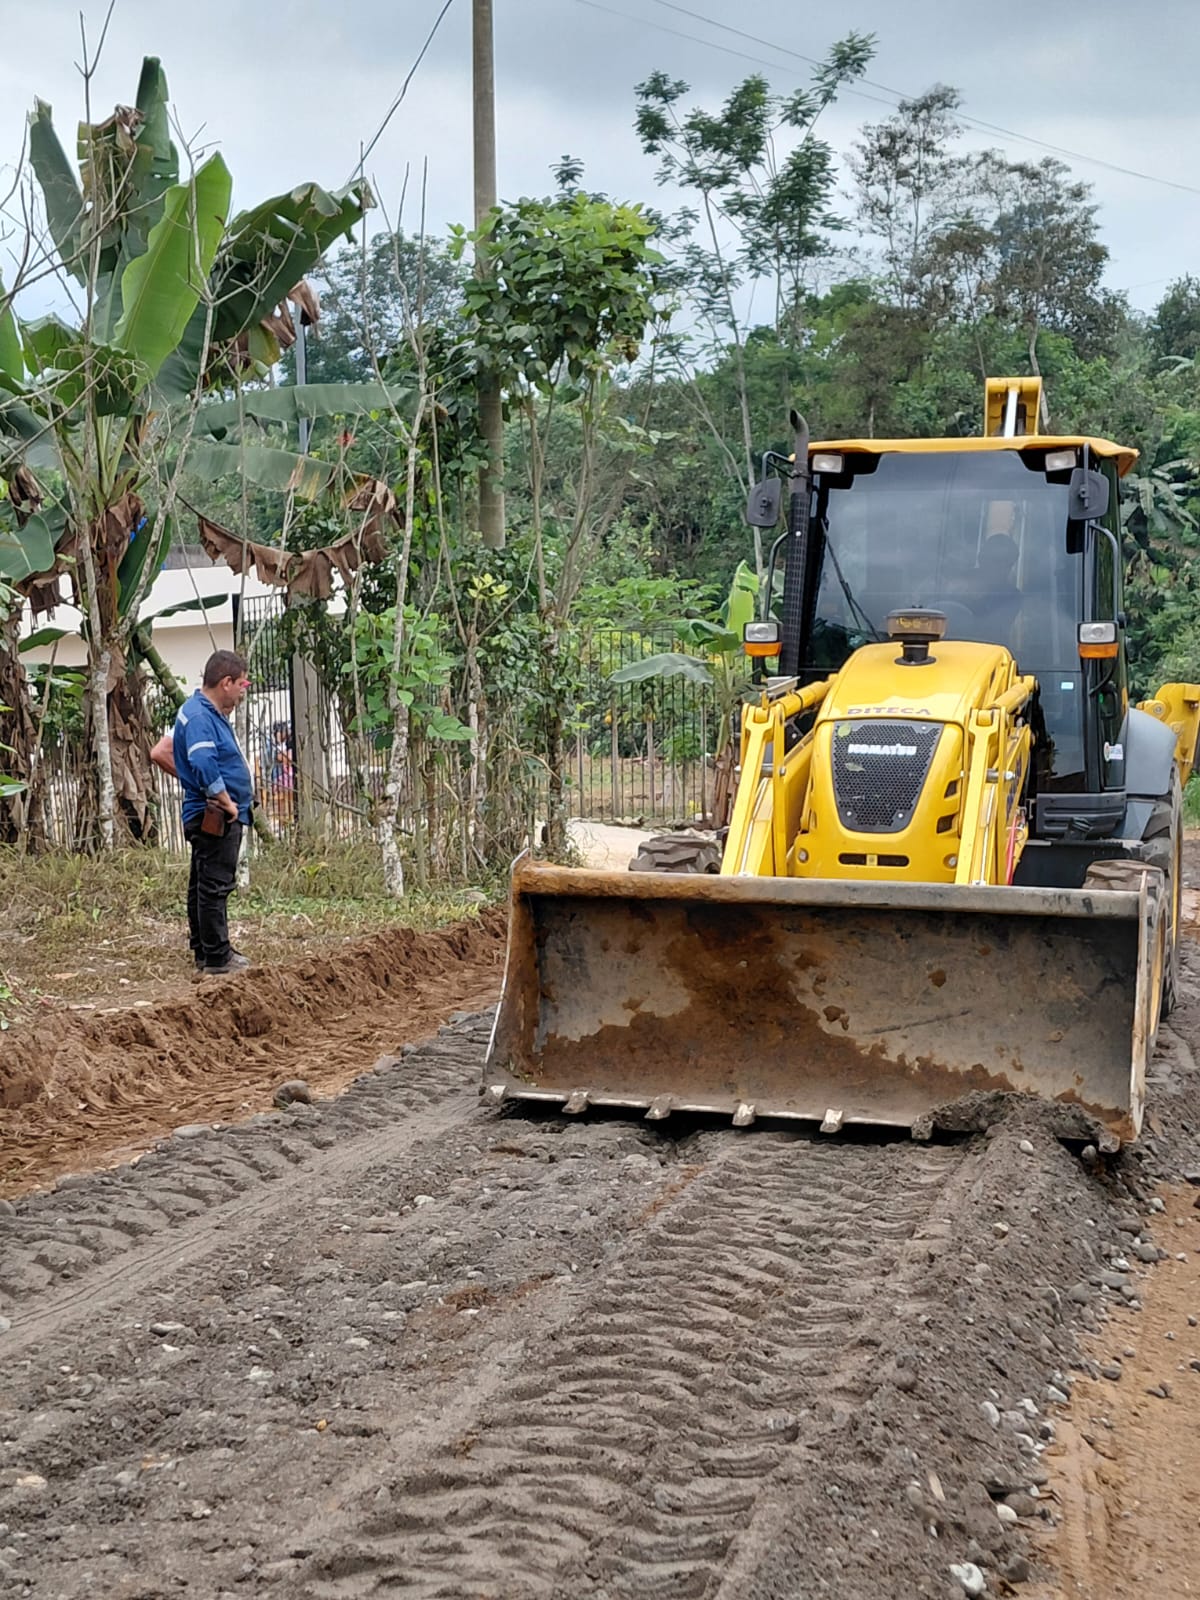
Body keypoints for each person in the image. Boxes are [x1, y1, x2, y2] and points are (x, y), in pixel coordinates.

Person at [150, 650, 253, 976]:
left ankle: (205, 950)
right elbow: (203, 761)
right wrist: (225, 800)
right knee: (214, 886)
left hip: (211, 810)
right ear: (226, 682)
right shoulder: (199, 717)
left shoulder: (203, 712)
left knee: (203, 883)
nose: (242, 692)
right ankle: (218, 958)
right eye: (241, 684)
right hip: (215, 813)